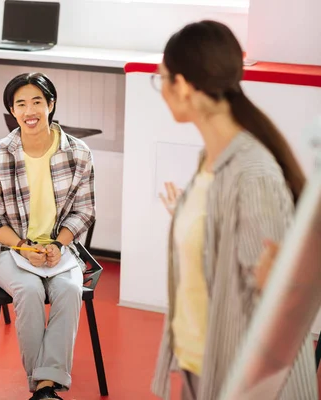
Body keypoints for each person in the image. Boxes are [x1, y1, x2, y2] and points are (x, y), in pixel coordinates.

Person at [151, 20, 318, 400]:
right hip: (200, 367)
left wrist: (279, 283)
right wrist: (193, 217)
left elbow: (279, 306)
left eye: (161, 78)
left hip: (241, 381)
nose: (160, 89)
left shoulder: (252, 172)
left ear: (182, 85)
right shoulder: (209, 161)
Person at [0, 72, 95, 400]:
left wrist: (59, 244)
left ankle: (44, 387)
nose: (30, 111)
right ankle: (44, 386)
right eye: (21, 104)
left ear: (51, 105)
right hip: (6, 247)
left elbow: (83, 211)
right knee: (28, 290)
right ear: (12, 111)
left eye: (38, 102)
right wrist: (23, 247)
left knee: (70, 289)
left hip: (60, 249)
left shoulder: (78, 153)